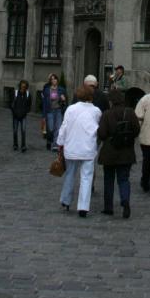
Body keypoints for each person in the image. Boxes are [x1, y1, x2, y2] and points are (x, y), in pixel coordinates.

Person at [57, 86, 102, 217]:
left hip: (72, 147)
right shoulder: (96, 111)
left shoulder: (71, 109)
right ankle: (83, 207)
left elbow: (64, 127)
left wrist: (60, 142)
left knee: (70, 174)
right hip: (88, 148)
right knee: (86, 177)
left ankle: (66, 200)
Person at [97, 89, 140, 218]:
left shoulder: (107, 114)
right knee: (124, 179)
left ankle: (108, 207)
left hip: (109, 151)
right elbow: (137, 130)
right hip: (126, 151)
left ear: (111, 101)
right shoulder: (130, 112)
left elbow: (102, 134)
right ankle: (125, 200)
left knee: (108, 179)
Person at [42, 74, 67, 151]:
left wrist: (64, 99)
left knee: (58, 128)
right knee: (51, 128)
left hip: (58, 110)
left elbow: (65, 101)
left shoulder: (61, 89)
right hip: (50, 111)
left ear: (57, 80)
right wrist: (44, 115)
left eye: (55, 79)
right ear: (50, 81)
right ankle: (49, 141)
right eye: (52, 79)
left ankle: (55, 145)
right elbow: (44, 103)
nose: (54, 80)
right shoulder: (47, 90)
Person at [11, 80, 32, 152]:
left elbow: (29, 105)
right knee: (15, 131)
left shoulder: (28, 94)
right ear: (20, 86)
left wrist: (25, 112)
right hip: (15, 115)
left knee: (23, 131)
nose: (23, 88)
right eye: (22, 86)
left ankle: (23, 145)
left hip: (23, 116)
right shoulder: (16, 93)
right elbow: (11, 104)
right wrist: (14, 112)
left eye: (24, 86)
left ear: (26, 87)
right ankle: (15, 145)